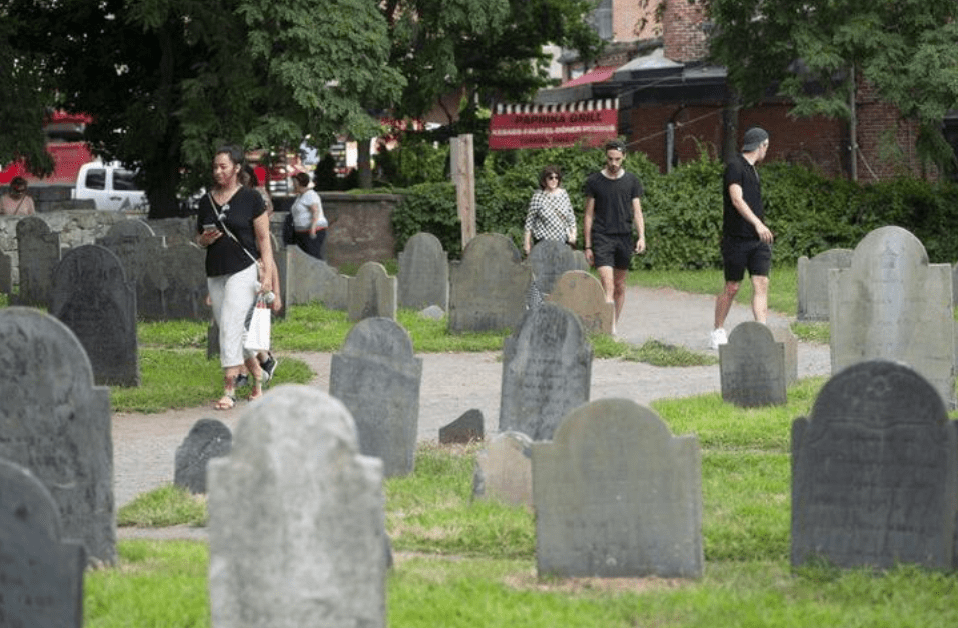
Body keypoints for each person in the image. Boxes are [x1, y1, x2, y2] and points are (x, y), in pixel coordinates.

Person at [196, 145, 278, 410]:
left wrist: (267, 277)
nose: (218, 171)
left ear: (236, 168)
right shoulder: (205, 200)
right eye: (215, 167)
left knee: (231, 326)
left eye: (223, 166)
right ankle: (259, 374)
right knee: (230, 329)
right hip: (216, 270)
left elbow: (264, 240)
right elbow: (199, 240)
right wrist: (204, 240)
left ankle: (229, 389)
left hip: (244, 268)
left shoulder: (252, 199)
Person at [711, 127, 773, 350]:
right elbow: (736, 200)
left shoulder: (754, 170)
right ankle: (718, 330)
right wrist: (758, 223)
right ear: (761, 145)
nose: (767, 150)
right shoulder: (735, 166)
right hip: (736, 239)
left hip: (758, 240)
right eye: (767, 146)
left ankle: (762, 332)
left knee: (761, 282)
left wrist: (759, 229)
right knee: (732, 287)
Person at [583, 140, 646, 322]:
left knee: (619, 285)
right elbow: (588, 215)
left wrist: (641, 236)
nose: (614, 163)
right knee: (608, 285)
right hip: (602, 236)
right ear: (606, 157)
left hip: (624, 237)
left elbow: (637, 212)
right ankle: (607, 331)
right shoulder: (595, 181)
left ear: (624, 157)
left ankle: (613, 325)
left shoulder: (631, 181)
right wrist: (588, 246)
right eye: (610, 159)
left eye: (617, 159)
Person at [238, 164, 280, 384]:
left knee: (247, 323)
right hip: (239, 263)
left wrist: (275, 290)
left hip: (255, 262)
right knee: (241, 322)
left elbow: (269, 259)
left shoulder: (257, 198)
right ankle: (259, 362)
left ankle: (251, 368)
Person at [522, 165, 577, 256]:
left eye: (557, 177)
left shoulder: (564, 194)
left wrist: (573, 235)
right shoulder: (538, 197)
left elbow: (571, 217)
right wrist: (527, 244)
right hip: (544, 243)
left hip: (562, 242)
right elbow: (529, 222)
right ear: (545, 180)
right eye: (550, 178)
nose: (554, 180)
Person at [289, 171, 327, 260]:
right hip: (302, 232)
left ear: (300, 183)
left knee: (313, 255)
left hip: (311, 231)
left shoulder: (310, 195)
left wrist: (313, 229)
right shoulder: (300, 196)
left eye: (294, 183)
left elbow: (315, 211)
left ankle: (320, 272)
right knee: (306, 257)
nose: (293, 185)